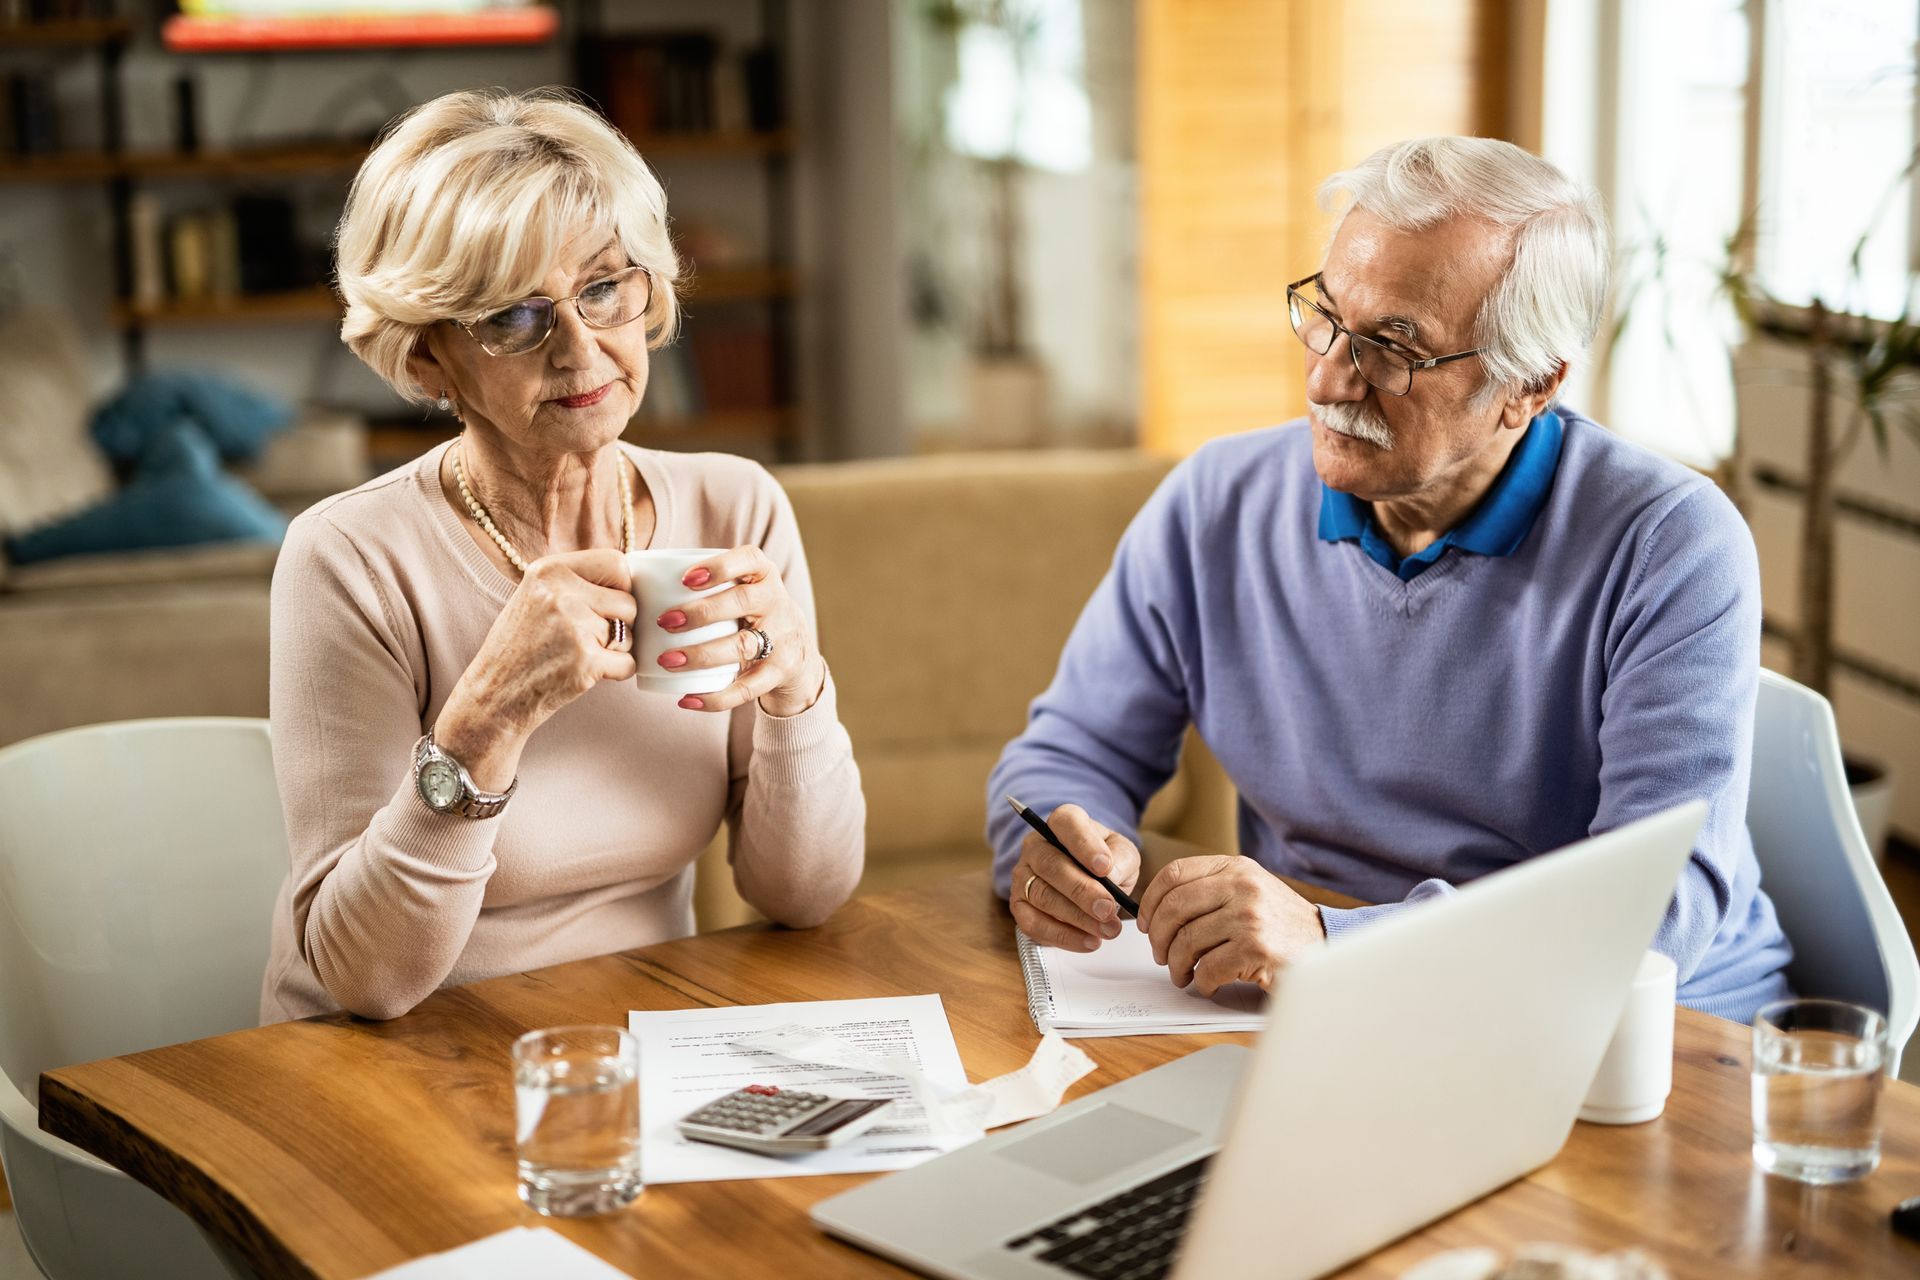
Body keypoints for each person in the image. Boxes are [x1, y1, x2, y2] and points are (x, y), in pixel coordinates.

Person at [988, 136, 1791, 1024]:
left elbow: (1649, 914)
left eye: (1394, 347)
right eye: (1326, 316)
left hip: (1629, 1032)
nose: (1330, 375)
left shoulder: (1671, 544)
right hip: (1321, 1012)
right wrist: (1063, 849)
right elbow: (1071, 749)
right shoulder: (1216, 503)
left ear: (1530, 385)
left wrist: (1337, 942)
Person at [260, 88, 863, 1023]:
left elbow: (803, 896)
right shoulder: (348, 556)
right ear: (428, 359)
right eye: (513, 316)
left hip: (638, 1045)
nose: (582, 347)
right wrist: (485, 721)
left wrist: (798, 695)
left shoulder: (732, 507)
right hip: (390, 1062)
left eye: (604, 287)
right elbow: (366, 980)